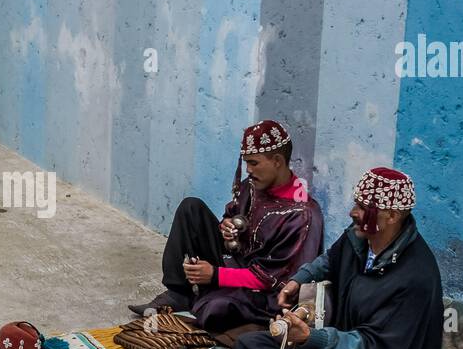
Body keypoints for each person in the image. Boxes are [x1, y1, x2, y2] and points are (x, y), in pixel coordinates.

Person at [230, 166, 444, 349]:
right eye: (357, 204)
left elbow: (372, 346)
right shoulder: (359, 237)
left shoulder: (415, 276)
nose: (353, 213)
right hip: (337, 345)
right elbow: (331, 259)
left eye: (364, 208)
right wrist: (298, 280)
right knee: (248, 346)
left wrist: (311, 339)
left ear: (393, 216)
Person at [131, 120, 323, 336]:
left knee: (214, 310)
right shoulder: (254, 185)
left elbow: (270, 280)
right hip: (234, 263)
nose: (248, 170)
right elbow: (232, 215)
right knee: (190, 208)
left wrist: (214, 275)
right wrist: (226, 227)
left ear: (277, 161)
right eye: (246, 163)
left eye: (254, 163)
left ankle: (205, 296)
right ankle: (179, 293)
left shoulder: (302, 214)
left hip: (262, 293)